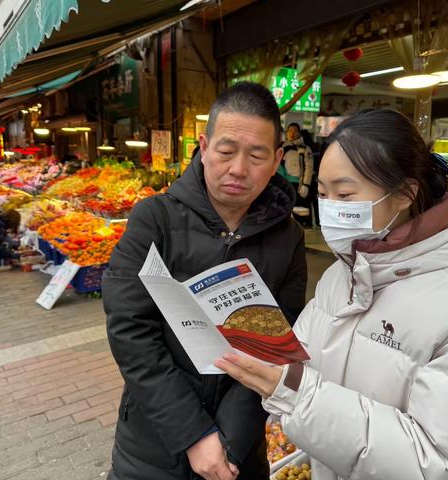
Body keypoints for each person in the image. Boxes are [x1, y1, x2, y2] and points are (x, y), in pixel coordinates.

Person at [216, 109, 448, 480]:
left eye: (345, 194)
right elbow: (301, 357)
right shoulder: (343, 273)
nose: (330, 207)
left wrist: (298, 394)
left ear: (404, 194)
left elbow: (445, 467)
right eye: (323, 193)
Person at [103, 81, 307, 480]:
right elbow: (131, 331)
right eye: (226, 151)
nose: (237, 169)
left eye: (257, 155)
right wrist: (194, 433)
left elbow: (279, 345)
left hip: (240, 448)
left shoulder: (288, 237)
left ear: (278, 158)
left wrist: (227, 442)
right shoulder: (154, 219)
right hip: (152, 442)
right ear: (204, 145)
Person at [279, 123, 313, 226]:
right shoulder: (282, 147)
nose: (292, 133)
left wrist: (306, 184)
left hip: (299, 183)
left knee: (301, 210)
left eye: (295, 131)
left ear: (299, 132)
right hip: (285, 182)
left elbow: (309, 167)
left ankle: (303, 228)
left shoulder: (305, 149)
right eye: (290, 131)